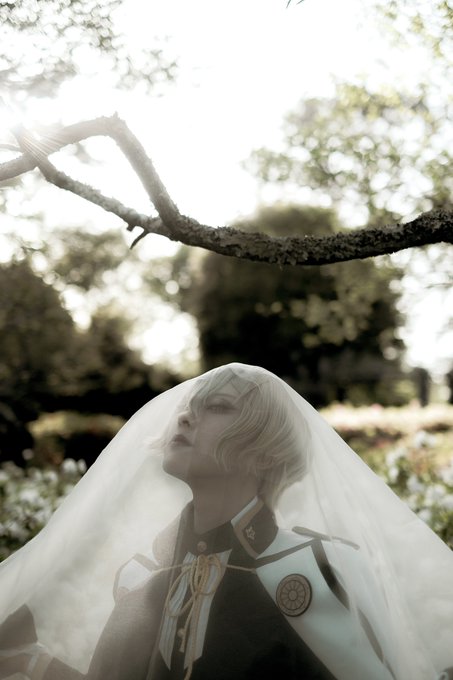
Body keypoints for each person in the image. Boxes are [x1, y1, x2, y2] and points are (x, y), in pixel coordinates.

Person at [0, 363, 452, 680]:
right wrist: (30, 662)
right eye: (188, 405)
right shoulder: (144, 576)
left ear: (266, 452)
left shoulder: (311, 569)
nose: (184, 416)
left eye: (217, 406)